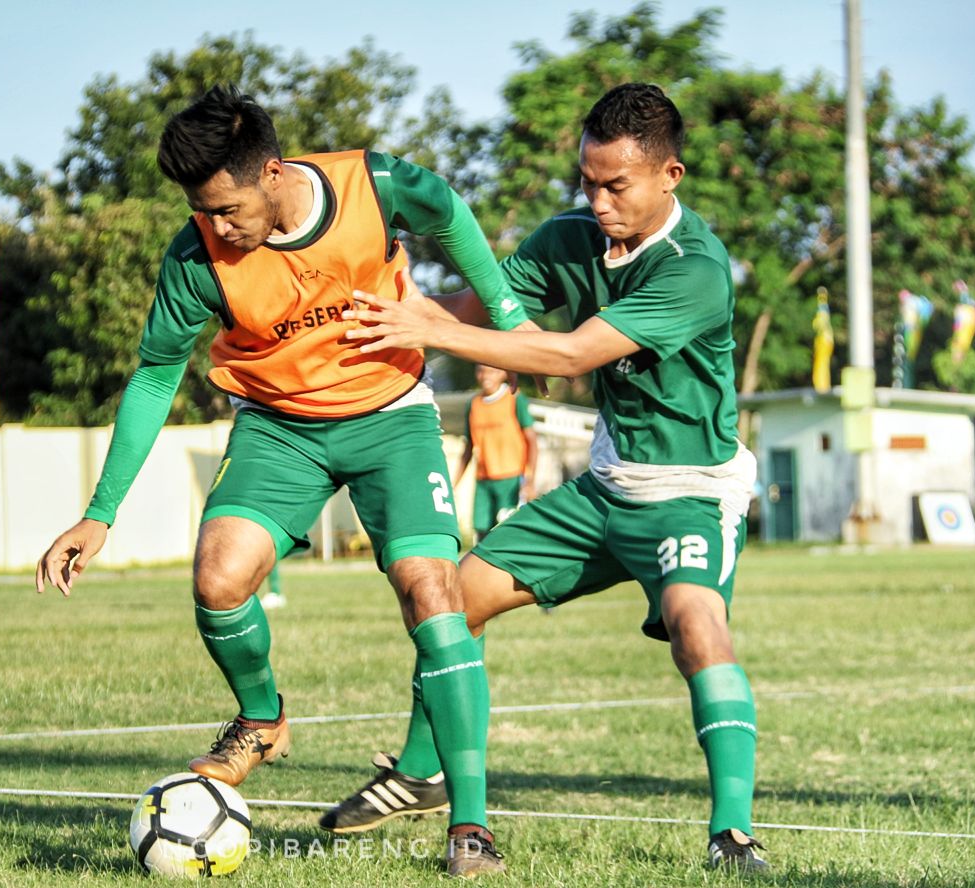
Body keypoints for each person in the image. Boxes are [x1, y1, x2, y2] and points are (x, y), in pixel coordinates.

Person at [35, 84, 533, 876]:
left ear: (272, 172)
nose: (217, 226)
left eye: (228, 208)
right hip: (277, 427)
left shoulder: (375, 188)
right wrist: (100, 512)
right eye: (203, 211)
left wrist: (507, 317)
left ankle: (469, 825)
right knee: (219, 577)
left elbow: (445, 208)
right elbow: (155, 376)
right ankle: (262, 722)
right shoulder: (197, 255)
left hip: (390, 413)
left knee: (432, 593)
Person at [328, 83, 768, 872]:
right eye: (587, 182)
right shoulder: (569, 235)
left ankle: (731, 834)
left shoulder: (696, 269)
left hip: (692, 496)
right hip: (604, 491)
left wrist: (433, 330)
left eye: (615, 185)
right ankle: (426, 774)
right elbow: (486, 303)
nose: (596, 201)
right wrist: (391, 311)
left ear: (670, 175)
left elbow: (567, 357)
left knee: (698, 632)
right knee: (452, 600)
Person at [455, 365, 537, 543]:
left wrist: (529, 480)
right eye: (480, 371)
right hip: (484, 479)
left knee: (509, 530)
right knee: (481, 530)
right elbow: (469, 446)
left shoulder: (514, 398)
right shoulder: (474, 403)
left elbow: (531, 440)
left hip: (511, 477)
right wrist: (454, 483)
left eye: (491, 371)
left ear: (503, 373)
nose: (485, 376)